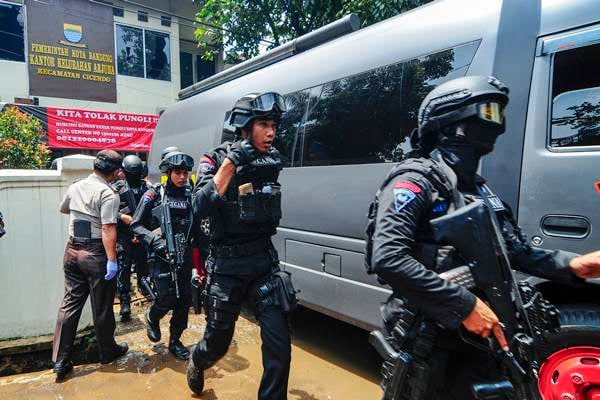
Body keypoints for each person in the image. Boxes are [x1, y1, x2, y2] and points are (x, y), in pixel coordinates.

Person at [366, 75, 600, 399]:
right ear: (451, 123)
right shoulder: (415, 180)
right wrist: (464, 306)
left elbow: (514, 250)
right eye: (486, 113)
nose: (495, 123)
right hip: (428, 341)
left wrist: (573, 265)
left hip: (476, 338)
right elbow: (388, 257)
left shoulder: (480, 189)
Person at [187, 92, 296, 399]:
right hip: (227, 269)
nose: (271, 132)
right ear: (244, 126)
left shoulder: (271, 155)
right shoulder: (214, 159)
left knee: (280, 349)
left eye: (274, 124)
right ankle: (197, 360)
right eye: (263, 124)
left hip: (263, 264)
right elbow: (199, 206)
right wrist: (234, 161)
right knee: (217, 345)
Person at [53, 150, 129, 380]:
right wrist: (112, 261)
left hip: (72, 251)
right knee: (103, 306)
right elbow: (107, 229)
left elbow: (63, 208)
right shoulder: (108, 194)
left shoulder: (76, 186)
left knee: (69, 305)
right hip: (96, 254)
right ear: (116, 171)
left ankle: (61, 360)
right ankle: (107, 351)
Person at [130, 150, 197, 360]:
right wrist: (155, 241)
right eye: (178, 172)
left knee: (184, 299)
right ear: (168, 172)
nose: (183, 177)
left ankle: (175, 341)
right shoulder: (154, 194)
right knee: (166, 297)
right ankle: (152, 316)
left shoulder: (189, 194)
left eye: (186, 172)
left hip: (183, 254)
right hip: (160, 256)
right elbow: (136, 225)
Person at [112, 155, 151, 321]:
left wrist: (142, 230)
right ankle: (125, 301)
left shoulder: (147, 188)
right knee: (124, 267)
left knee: (145, 266)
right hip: (124, 235)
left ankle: (147, 290)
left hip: (142, 233)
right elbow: (108, 212)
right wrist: (122, 216)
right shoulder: (116, 189)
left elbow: (153, 212)